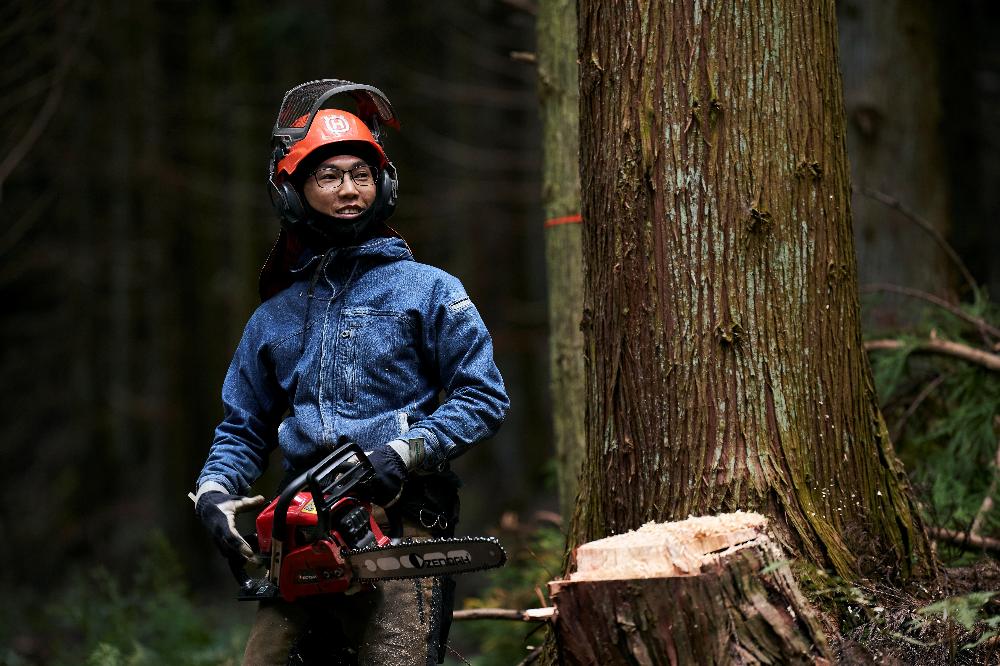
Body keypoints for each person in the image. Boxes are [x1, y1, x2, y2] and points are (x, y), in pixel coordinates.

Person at [190, 80, 509, 665]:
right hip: (304, 527)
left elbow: (481, 397)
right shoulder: (273, 317)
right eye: (329, 176)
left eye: (360, 174)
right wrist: (214, 493)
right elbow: (243, 428)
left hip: (401, 521)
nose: (348, 189)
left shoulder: (430, 291)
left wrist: (404, 451)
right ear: (294, 190)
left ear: (382, 184)